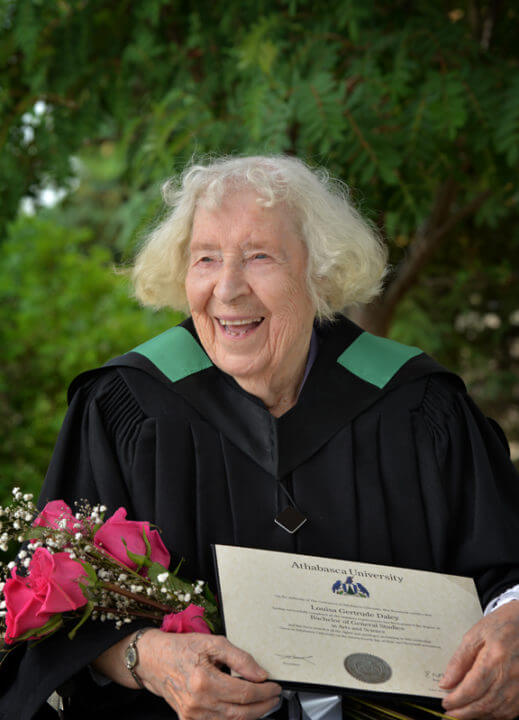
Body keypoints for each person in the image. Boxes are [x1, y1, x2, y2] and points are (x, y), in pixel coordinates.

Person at [1, 156, 519, 720]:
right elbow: (53, 611)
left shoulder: (419, 406)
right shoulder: (125, 407)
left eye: (259, 257)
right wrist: (147, 658)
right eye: (206, 259)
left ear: (319, 273)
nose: (227, 288)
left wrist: (512, 626)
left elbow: (505, 568)